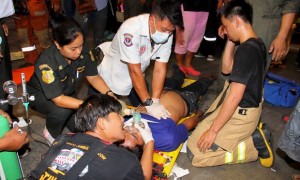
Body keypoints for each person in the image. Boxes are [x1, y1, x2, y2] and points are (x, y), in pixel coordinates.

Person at [187, 0, 274, 168]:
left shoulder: (246, 51)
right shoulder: (256, 43)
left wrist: (213, 131)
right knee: (193, 141)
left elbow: (234, 96)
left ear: (236, 21)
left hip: (241, 114)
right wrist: (231, 39)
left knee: (197, 156)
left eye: (226, 26)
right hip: (240, 109)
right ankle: (243, 136)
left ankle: (254, 143)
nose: (224, 31)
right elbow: (226, 69)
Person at [27, 16, 115, 145]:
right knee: (63, 109)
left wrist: (109, 94)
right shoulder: (46, 63)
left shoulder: (84, 52)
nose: (79, 52)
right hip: (39, 95)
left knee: (84, 128)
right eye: (73, 49)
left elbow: (94, 77)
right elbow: (59, 100)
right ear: (57, 44)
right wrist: (87, 105)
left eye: (81, 45)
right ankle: (50, 132)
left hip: (65, 91)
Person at [28, 94, 153, 179]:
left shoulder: (63, 138)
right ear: (101, 123)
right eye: (117, 115)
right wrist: (149, 142)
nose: (122, 119)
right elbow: (144, 176)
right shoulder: (124, 159)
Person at [97, 0, 184, 120]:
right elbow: (134, 71)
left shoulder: (167, 33)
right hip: (111, 74)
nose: (167, 34)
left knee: (145, 111)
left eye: (171, 31)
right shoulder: (131, 29)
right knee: (100, 116)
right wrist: (149, 103)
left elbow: (160, 68)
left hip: (137, 76)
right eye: (164, 29)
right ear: (152, 19)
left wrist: (155, 101)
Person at [120, 66, 215, 152]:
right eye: (134, 135)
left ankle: (180, 73)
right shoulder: (166, 140)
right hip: (185, 98)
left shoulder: (123, 123)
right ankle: (207, 79)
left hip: (158, 93)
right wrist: (198, 114)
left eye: (125, 131)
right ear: (143, 146)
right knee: (202, 84)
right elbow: (188, 124)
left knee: (174, 79)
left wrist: (139, 109)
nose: (131, 128)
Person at [13, 0, 57, 64]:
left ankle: (49, 62)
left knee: (44, 40)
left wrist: (56, 2)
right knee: (25, 41)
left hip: (37, 8)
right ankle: (30, 62)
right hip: (21, 11)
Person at [174, 0, 209, 76]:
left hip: (204, 6)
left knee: (197, 37)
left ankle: (187, 65)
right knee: (184, 35)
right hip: (187, 5)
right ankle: (179, 66)